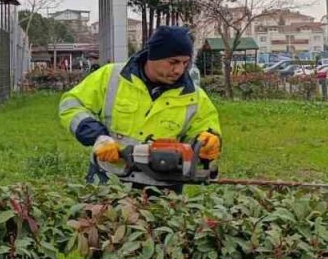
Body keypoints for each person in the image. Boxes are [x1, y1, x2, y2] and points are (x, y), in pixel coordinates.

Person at [58, 26, 222, 191]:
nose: (179, 70)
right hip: (109, 180)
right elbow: (71, 104)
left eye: (185, 63)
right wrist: (98, 137)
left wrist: (207, 142)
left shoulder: (194, 96)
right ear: (153, 56)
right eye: (173, 62)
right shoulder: (112, 77)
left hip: (163, 189)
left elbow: (206, 129)